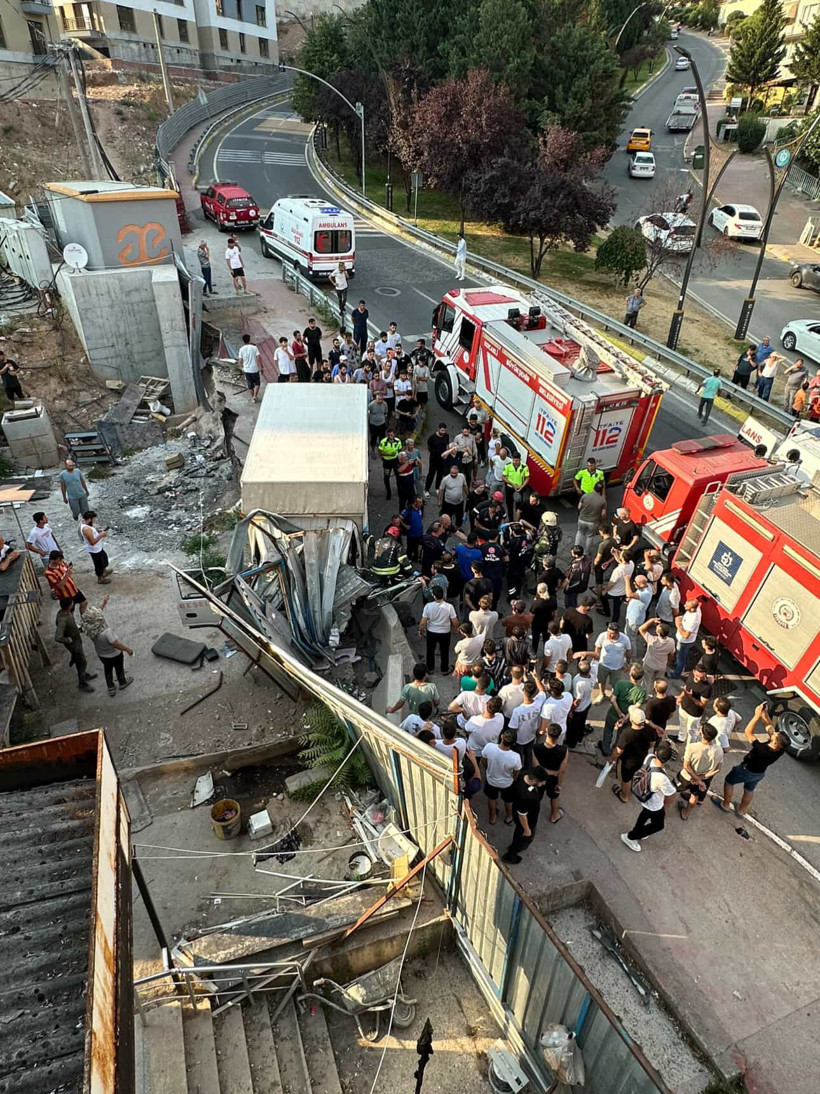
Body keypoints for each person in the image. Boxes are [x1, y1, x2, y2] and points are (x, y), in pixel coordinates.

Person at [716, 703, 787, 816]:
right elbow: (769, 726)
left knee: (729, 782)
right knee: (749, 790)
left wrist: (756, 716)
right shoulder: (780, 749)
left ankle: (725, 804)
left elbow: (748, 732)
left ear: (774, 741)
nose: (774, 733)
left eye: (775, 734)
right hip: (759, 773)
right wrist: (764, 713)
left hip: (745, 770)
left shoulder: (762, 749)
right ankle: (741, 810)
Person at [620, 740, 677, 852]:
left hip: (644, 795)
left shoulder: (649, 757)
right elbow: (670, 795)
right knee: (658, 825)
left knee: (644, 815)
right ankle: (631, 836)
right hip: (655, 804)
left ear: (656, 753)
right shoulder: (662, 778)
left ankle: (638, 831)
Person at [82, 598, 134, 697]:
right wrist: (127, 649)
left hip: (102, 655)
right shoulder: (106, 632)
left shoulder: (90, 631)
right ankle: (122, 682)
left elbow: (96, 614)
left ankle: (110, 687)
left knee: (108, 670)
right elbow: (116, 644)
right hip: (115, 654)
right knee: (119, 668)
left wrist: (104, 603)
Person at [502, 767, 548, 863]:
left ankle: (514, 848)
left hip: (517, 808)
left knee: (519, 834)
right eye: (542, 782)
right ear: (534, 780)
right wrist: (527, 830)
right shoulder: (526, 796)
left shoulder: (523, 774)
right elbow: (522, 815)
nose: (543, 784)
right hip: (527, 819)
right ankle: (511, 855)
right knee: (523, 837)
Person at [610, 705, 655, 804]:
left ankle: (624, 796)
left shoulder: (627, 734)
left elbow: (618, 751)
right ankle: (634, 788)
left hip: (627, 762)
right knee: (636, 774)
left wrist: (611, 759)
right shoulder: (649, 729)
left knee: (626, 779)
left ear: (631, 720)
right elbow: (652, 744)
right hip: (642, 758)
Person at [679, 722, 723, 821]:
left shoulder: (692, 747)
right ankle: (686, 813)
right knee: (695, 796)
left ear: (702, 734)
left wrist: (697, 778)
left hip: (688, 777)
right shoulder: (719, 750)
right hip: (704, 779)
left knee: (674, 787)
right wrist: (702, 778)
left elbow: (686, 766)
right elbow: (718, 769)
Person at [601, 662, 645, 756]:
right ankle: (615, 750)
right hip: (628, 717)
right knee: (621, 735)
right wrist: (624, 718)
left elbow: (613, 700)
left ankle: (605, 749)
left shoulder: (620, 683)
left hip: (613, 713)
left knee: (608, 730)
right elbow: (636, 707)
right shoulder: (642, 692)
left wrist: (619, 713)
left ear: (630, 673)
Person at [54, 597, 97, 693]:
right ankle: (82, 683)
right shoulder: (63, 620)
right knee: (81, 662)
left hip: (76, 640)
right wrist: (67, 640)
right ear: (70, 605)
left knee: (79, 660)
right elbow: (57, 637)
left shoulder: (63, 613)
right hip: (74, 644)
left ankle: (83, 673)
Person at [483, 730, 523, 824]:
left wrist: (488, 769)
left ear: (501, 737)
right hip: (507, 783)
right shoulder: (515, 757)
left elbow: (483, 761)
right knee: (508, 800)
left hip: (491, 779)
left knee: (492, 799)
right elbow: (516, 772)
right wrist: (514, 778)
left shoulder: (489, 747)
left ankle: (492, 817)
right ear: (513, 743)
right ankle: (509, 816)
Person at [533, 723, 569, 823]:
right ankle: (554, 816)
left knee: (536, 796)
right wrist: (559, 784)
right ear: (559, 736)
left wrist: (547, 772)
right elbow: (562, 770)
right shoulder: (564, 750)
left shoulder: (536, 748)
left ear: (546, 732)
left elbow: (536, 766)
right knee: (554, 797)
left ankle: (532, 814)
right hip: (554, 780)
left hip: (539, 778)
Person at [418, 583, 457, 674]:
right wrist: (456, 628)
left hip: (431, 631)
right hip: (445, 632)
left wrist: (420, 630)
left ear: (434, 596)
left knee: (430, 650)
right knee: (444, 651)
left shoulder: (428, 606)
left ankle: (430, 668)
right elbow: (455, 621)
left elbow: (423, 622)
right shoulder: (449, 607)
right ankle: (444, 669)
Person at [590, 623, 632, 699]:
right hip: (603, 664)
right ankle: (602, 694)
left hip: (617, 666)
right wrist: (596, 659)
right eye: (608, 632)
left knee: (615, 683)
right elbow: (598, 647)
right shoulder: (602, 636)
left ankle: (613, 696)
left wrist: (627, 663)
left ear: (617, 633)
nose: (608, 635)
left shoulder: (625, 639)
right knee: (601, 680)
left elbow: (628, 652)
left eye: (611, 633)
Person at [508, 680, 545, 767]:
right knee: (529, 755)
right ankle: (528, 770)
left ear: (523, 691)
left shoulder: (517, 711)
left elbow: (513, 728)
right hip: (532, 735)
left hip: (520, 739)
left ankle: (520, 771)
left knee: (519, 756)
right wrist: (536, 678)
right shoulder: (539, 701)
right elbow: (542, 690)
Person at [676, 662, 713, 746]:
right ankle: (681, 738)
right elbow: (687, 687)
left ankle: (690, 747)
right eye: (697, 676)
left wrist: (690, 697)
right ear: (693, 672)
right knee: (682, 724)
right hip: (684, 706)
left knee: (692, 731)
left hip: (694, 713)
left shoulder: (707, 688)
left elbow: (702, 704)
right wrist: (680, 697)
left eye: (702, 677)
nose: (699, 679)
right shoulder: (690, 676)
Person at [566, 657, 595, 747]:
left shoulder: (579, 683)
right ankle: (579, 738)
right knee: (581, 724)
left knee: (572, 727)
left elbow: (577, 700)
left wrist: (571, 710)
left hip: (579, 708)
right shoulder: (592, 676)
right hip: (587, 703)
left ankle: (571, 743)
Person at [639, 618, 675, 687]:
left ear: (658, 633)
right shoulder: (671, 641)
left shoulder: (651, 639)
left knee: (647, 680)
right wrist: (668, 662)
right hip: (661, 665)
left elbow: (641, 629)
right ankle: (657, 692)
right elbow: (671, 654)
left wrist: (652, 620)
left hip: (649, 664)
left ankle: (647, 693)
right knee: (659, 681)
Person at [537, 677, 574, 745]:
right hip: (562, 730)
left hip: (549, 734)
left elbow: (542, 730)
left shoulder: (548, 705)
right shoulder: (568, 695)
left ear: (552, 692)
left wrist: (538, 732)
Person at [672, 596, 702, 677]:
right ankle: (678, 664)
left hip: (685, 642)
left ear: (692, 609)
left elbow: (686, 635)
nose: (684, 606)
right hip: (685, 641)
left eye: (686, 606)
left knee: (681, 657)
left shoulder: (693, 620)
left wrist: (678, 625)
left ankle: (677, 673)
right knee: (681, 655)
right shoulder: (696, 609)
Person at [623, 572, 651, 656]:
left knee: (631, 638)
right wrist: (631, 600)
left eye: (635, 582)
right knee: (628, 634)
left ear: (641, 584)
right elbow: (634, 595)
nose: (634, 583)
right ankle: (627, 651)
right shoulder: (645, 587)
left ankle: (631, 655)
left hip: (634, 620)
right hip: (632, 616)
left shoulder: (646, 593)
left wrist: (627, 581)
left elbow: (629, 594)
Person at [604, 547, 634, 626]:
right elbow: (622, 562)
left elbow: (611, 584)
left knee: (603, 597)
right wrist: (615, 554)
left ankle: (607, 614)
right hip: (623, 591)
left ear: (623, 558)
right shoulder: (631, 564)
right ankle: (614, 622)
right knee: (617, 608)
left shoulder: (618, 570)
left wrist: (605, 590)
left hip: (614, 592)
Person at [80, 511, 110, 584]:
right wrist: (101, 535)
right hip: (95, 550)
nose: (94, 521)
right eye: (93, 519)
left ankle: (104, 571)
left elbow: (92, 531)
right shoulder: (86, 529)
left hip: (98, 548)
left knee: (104, 558)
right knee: (98, 564)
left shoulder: (86, 524)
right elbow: (92, 542)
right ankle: (100, 578)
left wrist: (98, 531)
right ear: (90, 519)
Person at [575, 481, 606, 554]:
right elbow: (603, 514)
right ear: (601, 491)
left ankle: (576, 549)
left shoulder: (585, 496)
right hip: (593, 522)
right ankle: (586, 552)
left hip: (582, 519)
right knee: (590, 536)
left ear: (593, 488)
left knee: (580, 533)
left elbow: (579, 507)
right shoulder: (603, 501)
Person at [530, 582, 557, 654]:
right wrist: (553, 620)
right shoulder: (553, 599)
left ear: (538, 591)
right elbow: (554, 612)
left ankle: (534, 653)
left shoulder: (536, 603)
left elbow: (531, 614)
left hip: (537, 623)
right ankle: (546, 652)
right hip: (548, 622)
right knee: (546, 639)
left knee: (535, 639)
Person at [563, 545, 592, 609]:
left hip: (574, 587)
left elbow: (574, 580)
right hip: (580, 587)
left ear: (576, 555)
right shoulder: (586, 560)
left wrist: (568, 585)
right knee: (573, 599)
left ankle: (571, 613)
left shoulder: (577, 568)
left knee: (570, 601)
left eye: (572, 553)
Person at [502, 454, 529, 520]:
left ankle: (518, 520)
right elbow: (503, 477)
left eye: (516, 460)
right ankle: (511, 520)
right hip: (509, 488)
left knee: (519, 506)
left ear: (520, 460)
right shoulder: (508, 465)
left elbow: (527, 478)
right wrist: (512, 484)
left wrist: (522, 486)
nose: (515, 462)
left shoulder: (524, 466)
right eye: (513, 460)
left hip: (520, 489)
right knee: (509, 505)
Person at [237, 333, 261, 403]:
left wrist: (242, 367)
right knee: (257, 383)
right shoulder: (254, 348)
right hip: (254, 369)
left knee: (250, 385)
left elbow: (240, 360)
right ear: (249, 340)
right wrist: (261, 367)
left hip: (246, 369)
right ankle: (255, 396)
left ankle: (252, 397)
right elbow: (258, 357)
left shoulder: (241, 349)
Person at [378, 429, 402, 500]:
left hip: (395, 461)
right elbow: (379, 453)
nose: (390, 436)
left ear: (394, 434)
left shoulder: (397, 441)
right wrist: (388, 454)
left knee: (398, 476)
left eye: (391, 435)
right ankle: (388, 492)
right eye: (389, 435)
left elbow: (400, 450)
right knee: (386, 477)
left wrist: (400, 459)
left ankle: (399, 491)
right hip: (387, 461)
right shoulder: (383, 442)